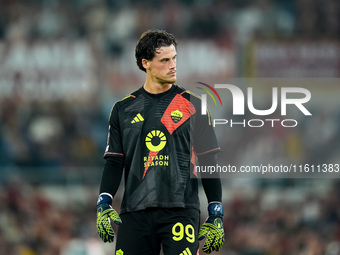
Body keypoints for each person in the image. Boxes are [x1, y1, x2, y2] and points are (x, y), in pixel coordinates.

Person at [96, 29, 224, 255]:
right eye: (164, 60)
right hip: (134, 212)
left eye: (174, 58)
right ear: (146, 63)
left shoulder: (194, 106)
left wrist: (216, 211)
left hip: (181, 211)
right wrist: (104, 202)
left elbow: (209, 160)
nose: (173, 65)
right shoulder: (123, 109)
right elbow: (115, 162)